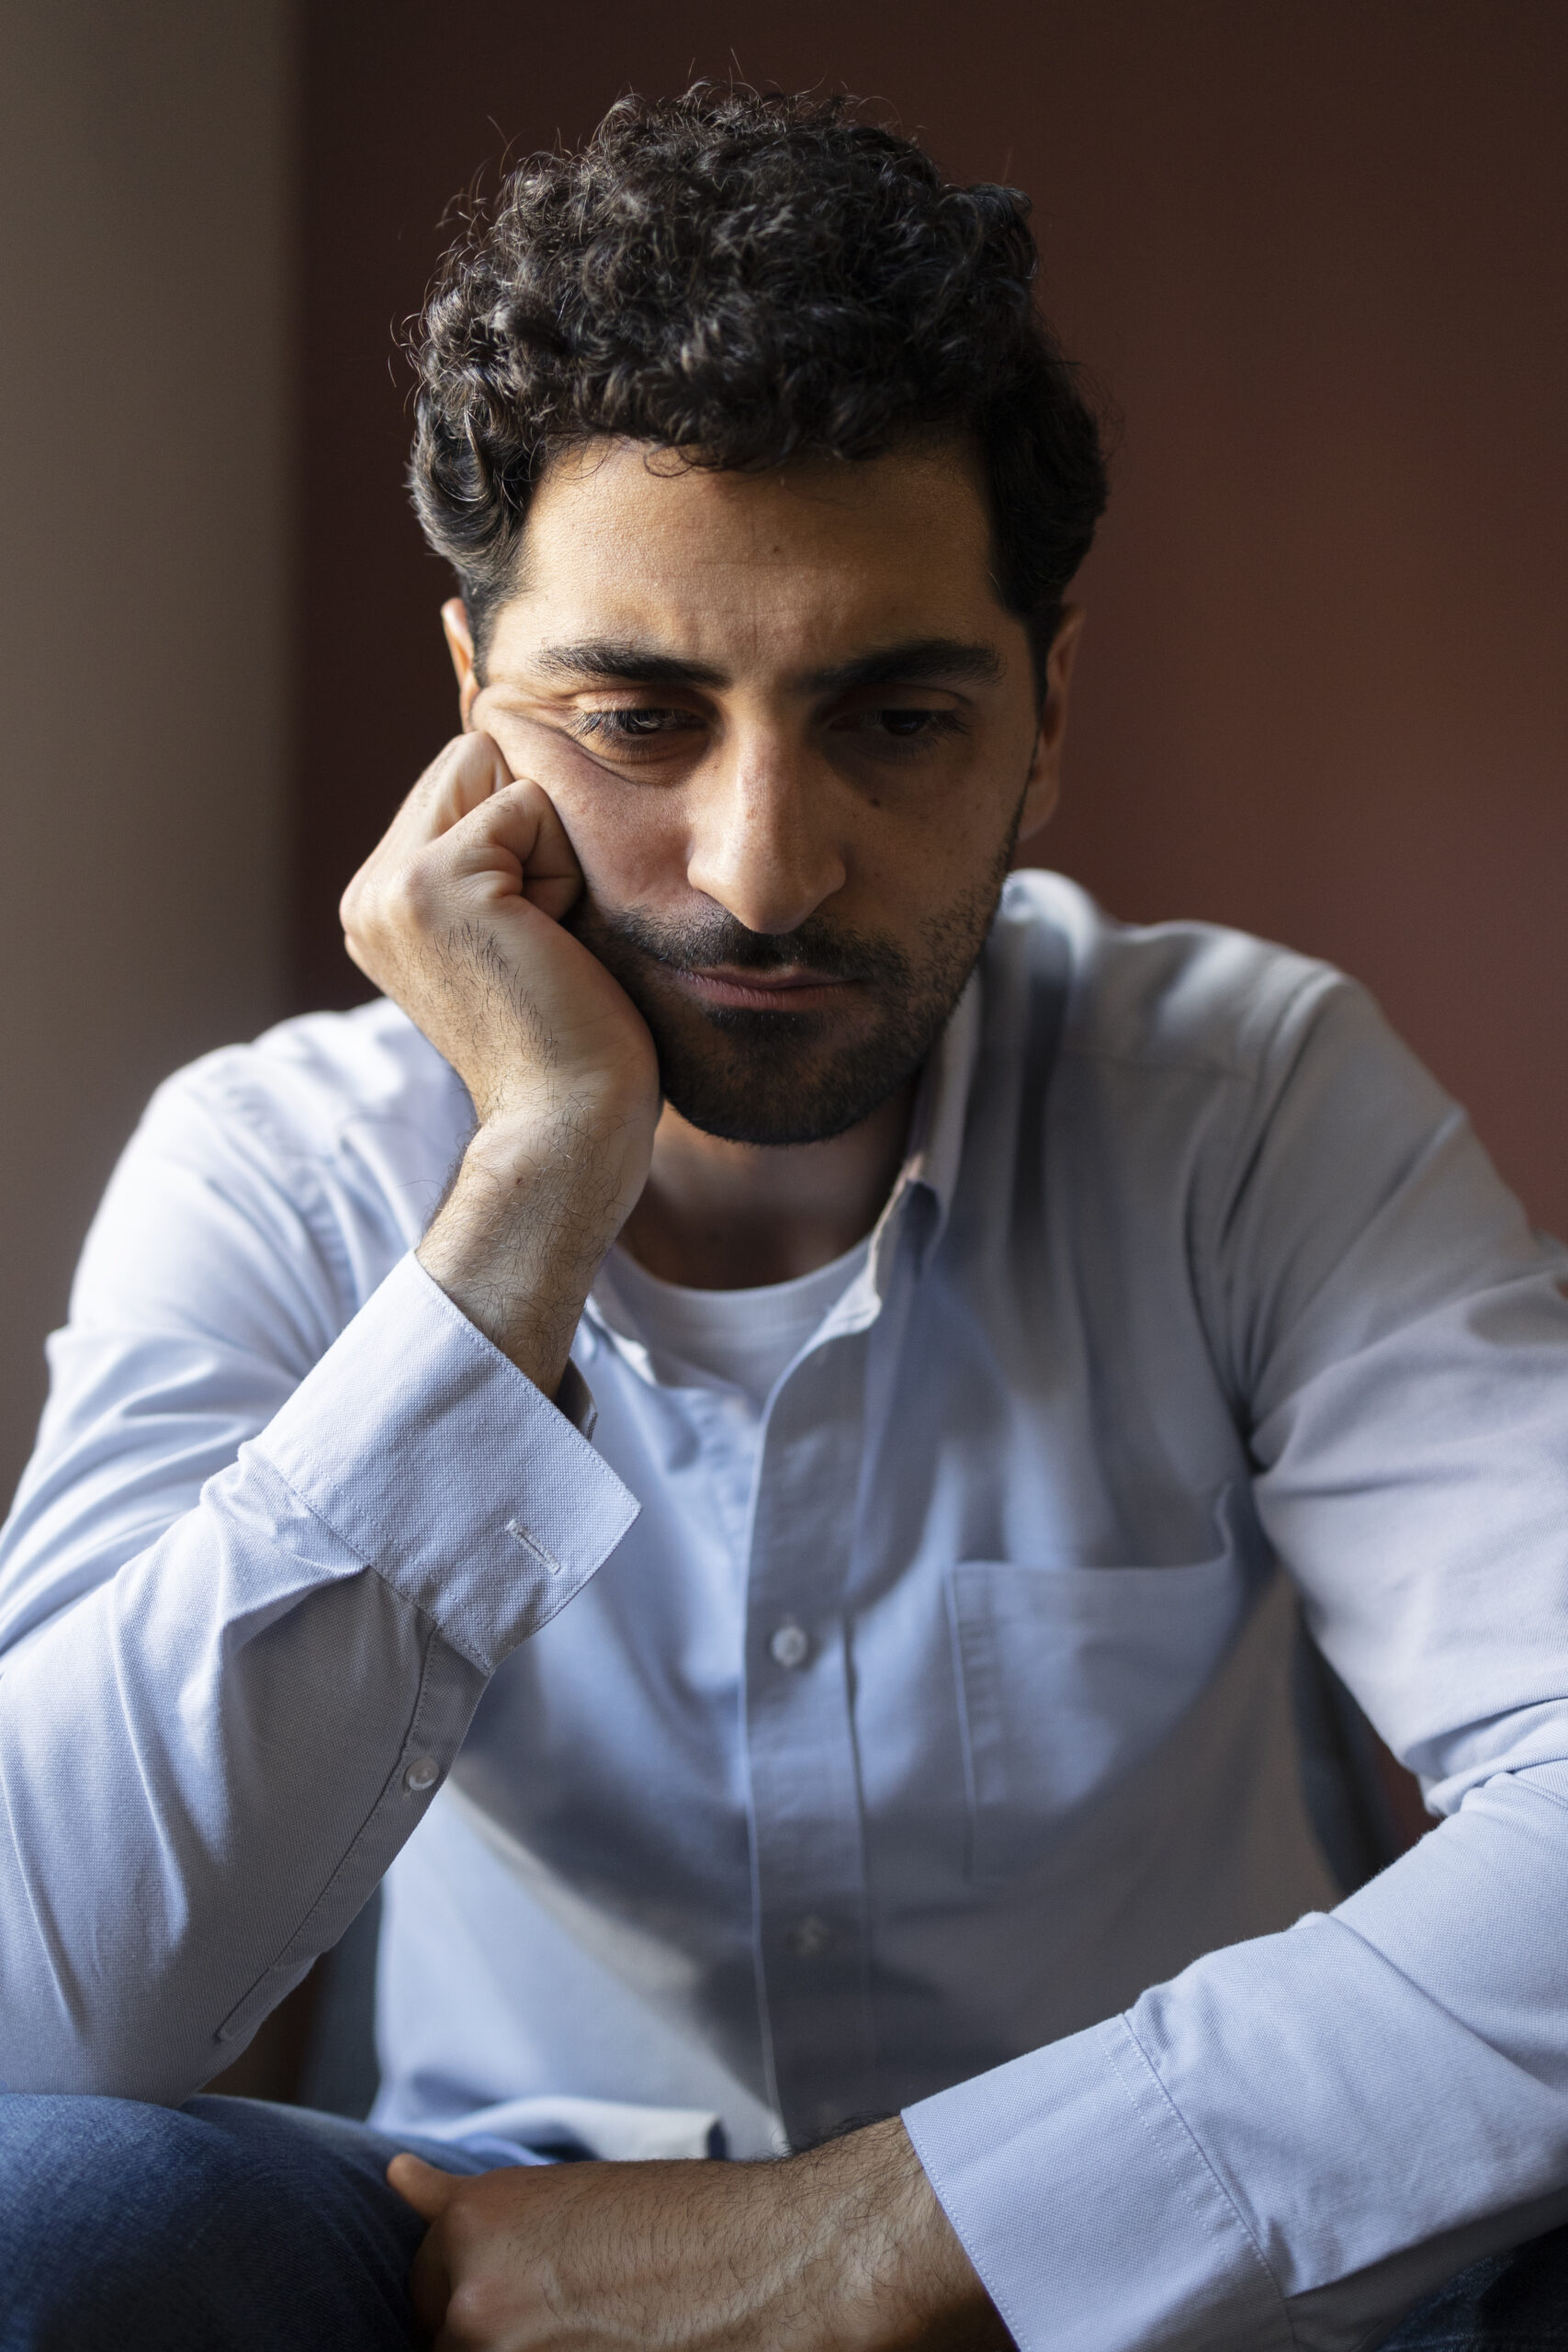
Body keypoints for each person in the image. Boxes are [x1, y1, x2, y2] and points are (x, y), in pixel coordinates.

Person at [1, 82, 1566, 2352]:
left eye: (895, 715)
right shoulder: (278, 1162)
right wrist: (531, 1186)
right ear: (470, 710)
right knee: (46, 2216)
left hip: (1154, 2279)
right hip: (489, 2260)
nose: (759, 865)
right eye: (632, 716)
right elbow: (38, 2010)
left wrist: (892, 2228)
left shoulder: (1243, 1097)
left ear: (1042, 720)